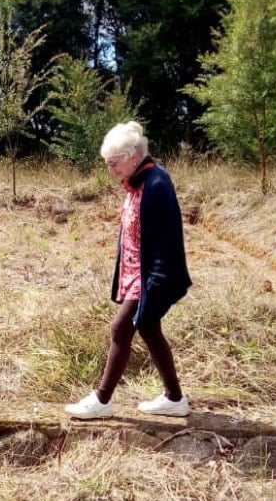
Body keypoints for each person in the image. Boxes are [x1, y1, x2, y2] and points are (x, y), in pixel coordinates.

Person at [65, 121, 193, 419]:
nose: (110, 169)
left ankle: (102, 400)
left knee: (120, 330)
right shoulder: (138, 184)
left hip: (153, 278)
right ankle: (175, 398)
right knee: (148, 328)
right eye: (106, 163)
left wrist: (156, 285)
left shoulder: (157, 185)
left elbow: (167, 240)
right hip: (138, 274)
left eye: (113, 162)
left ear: (133, 155)